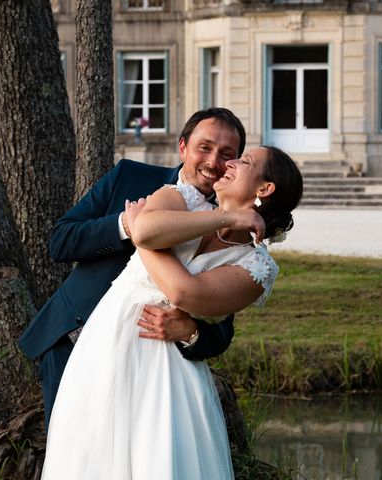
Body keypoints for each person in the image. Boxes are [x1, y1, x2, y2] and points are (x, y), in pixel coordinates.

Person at [41, 145, 303, 479]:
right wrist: (228, 216)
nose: (230, 163)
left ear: (264, 189)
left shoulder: (256, 267)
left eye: (245, 160)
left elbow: (183, 292)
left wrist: (142, 238)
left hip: (167, 368)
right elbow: (149, 232)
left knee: (159, 458)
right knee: (90, 452)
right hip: (106, 345)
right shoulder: (181, 197)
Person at [18, 108, 246, 428]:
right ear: (183, 147)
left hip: (149, 365)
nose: (212, 162)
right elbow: (60, 241)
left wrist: (192, 332)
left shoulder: (231, 228)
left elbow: (222, 327)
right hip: (75, 340)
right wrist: (126, 224)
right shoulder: (130, 176)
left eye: (226, 154)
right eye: (204, 147)